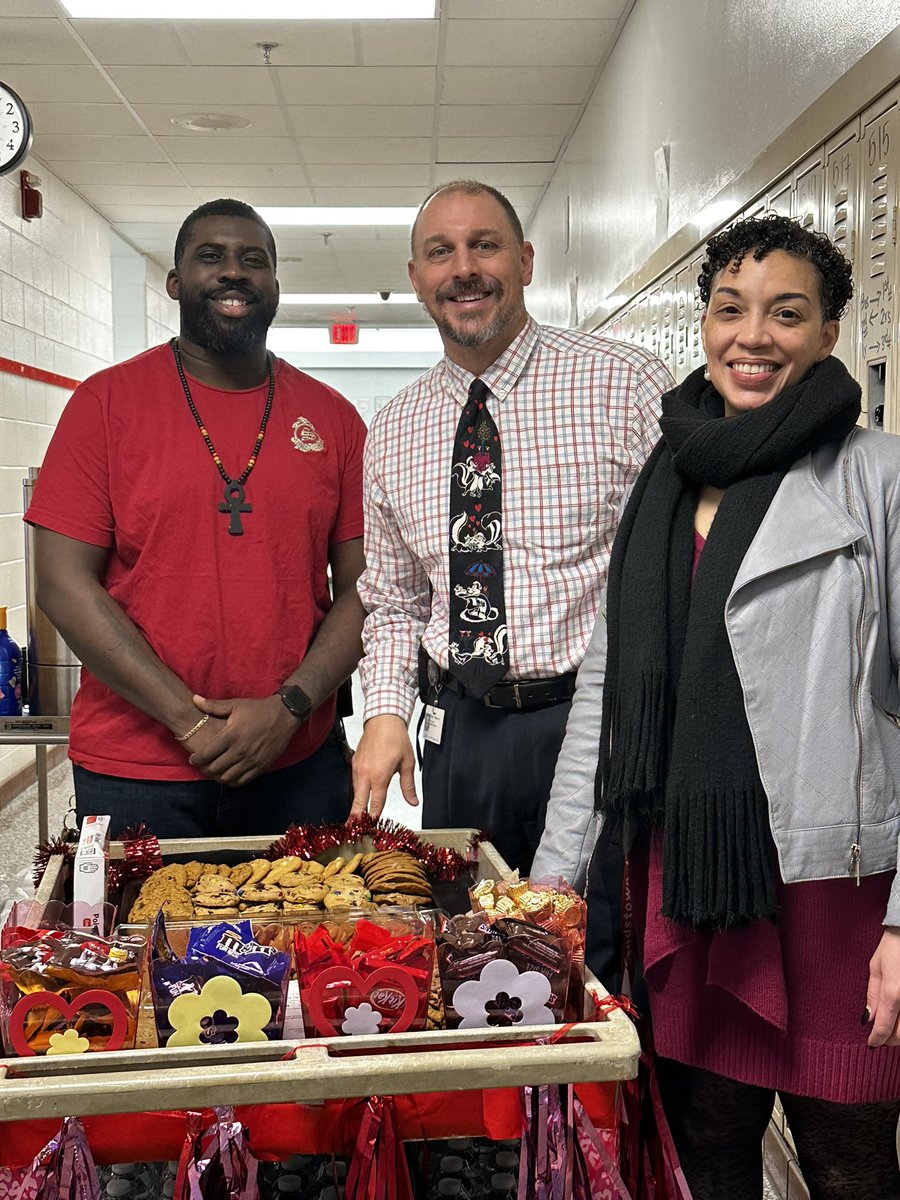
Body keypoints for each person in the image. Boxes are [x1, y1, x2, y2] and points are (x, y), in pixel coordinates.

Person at [532, 214, 900, 1199]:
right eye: (731, 309)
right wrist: (551, 885)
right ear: (703, 324)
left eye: (788, 313)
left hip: (837, 894)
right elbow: (606, 700)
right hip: (691, 882)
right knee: (705, 1152)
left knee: (851, 1162)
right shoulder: (662, 484)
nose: (754, 336)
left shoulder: (878, 476)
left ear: (828, 333)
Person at [351, 179, 673, 874]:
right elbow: (395, 601)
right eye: (441, 252)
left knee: (597, 927)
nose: (464, 269)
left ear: (525, 261)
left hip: (598, 720)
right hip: (461, 734)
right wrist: (384, 713)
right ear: (416, 278)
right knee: (469, 921)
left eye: (485, 246)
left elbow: (679, 565)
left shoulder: (626, 385)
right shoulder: (394, 429)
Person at [26, 198, 367, 839]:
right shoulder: (104, 405)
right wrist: (189, 721)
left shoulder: (334, 419)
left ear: (275, 285)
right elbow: (62, 584)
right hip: (135, 768)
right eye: (211, 256)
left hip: (297, 764)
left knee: (311, 912)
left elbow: (367, 589)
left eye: (253, 260)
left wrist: (288, 709)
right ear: (175, 281)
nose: (233, 271)